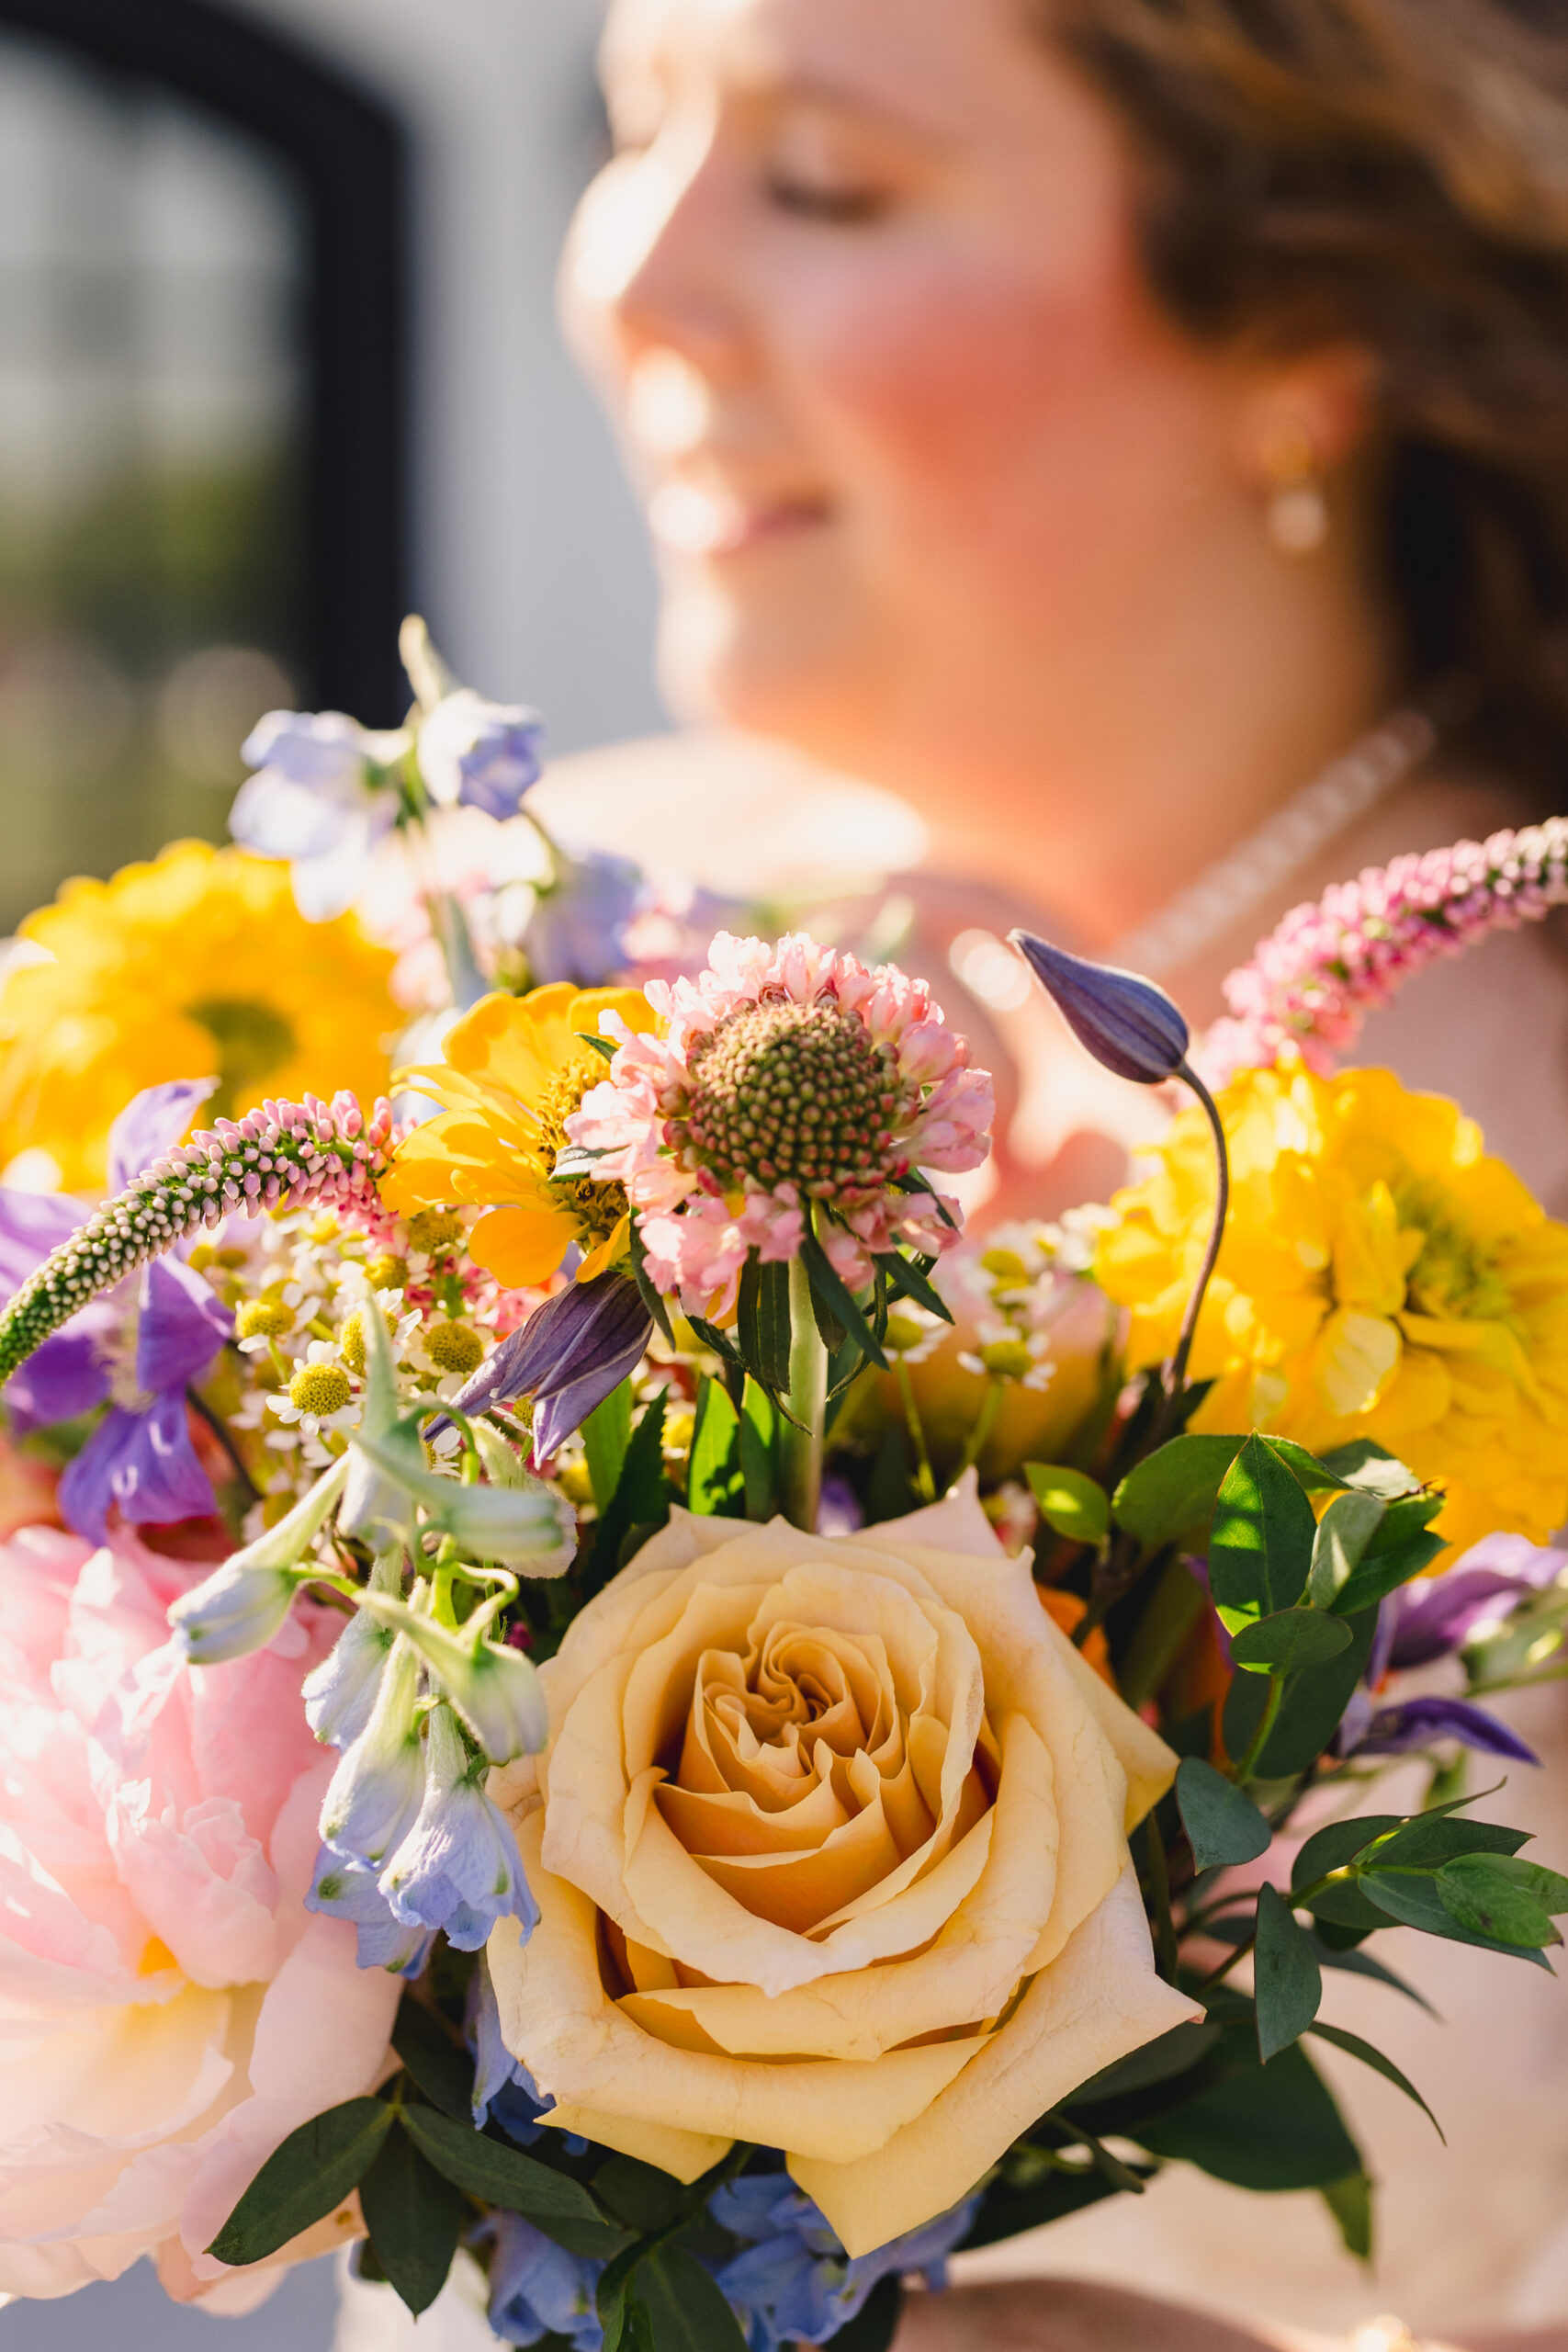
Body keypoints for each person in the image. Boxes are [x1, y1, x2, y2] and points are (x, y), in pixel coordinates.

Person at [537, 0, 1568, 2346]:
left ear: (1303, 319)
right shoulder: (507, 956)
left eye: (824, 183)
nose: (632, 278)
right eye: (633, 131)